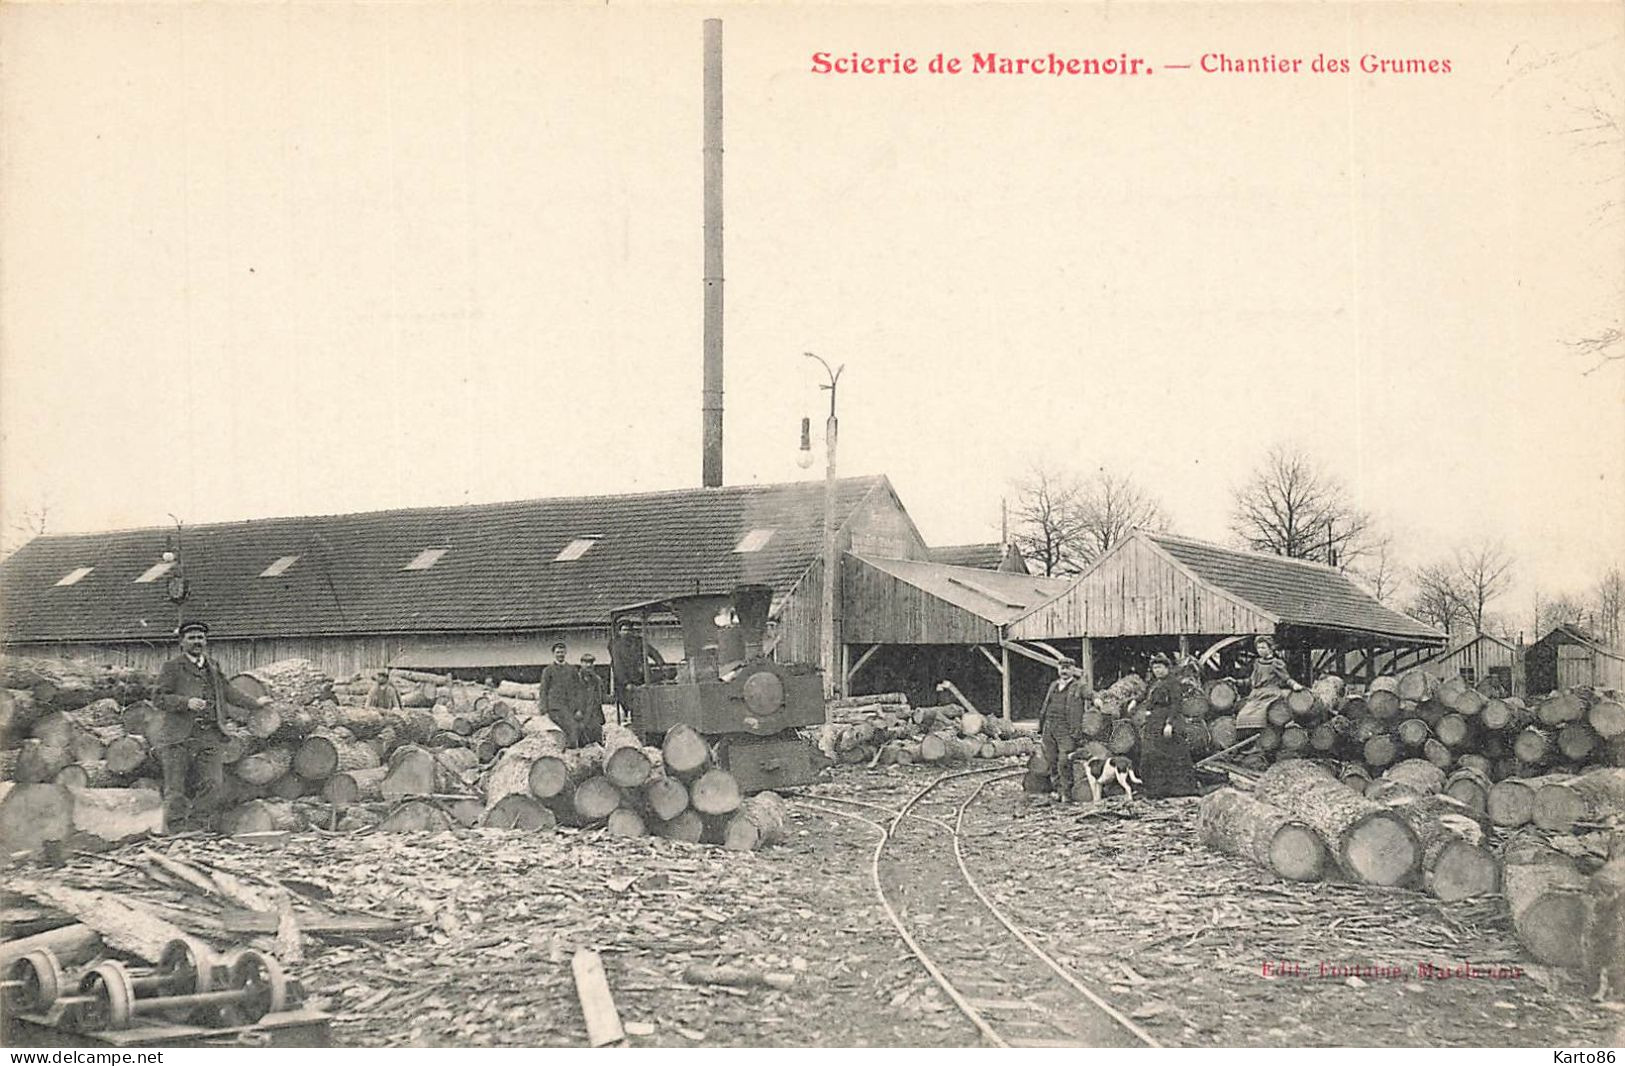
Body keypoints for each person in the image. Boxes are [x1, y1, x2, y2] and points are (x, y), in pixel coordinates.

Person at [153, 622, 273, 821]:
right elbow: (158, 698)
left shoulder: (213, 666)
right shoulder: (172, 667)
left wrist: (255, 704)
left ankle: (198, 826)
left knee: (213, 783)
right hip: (178, 736)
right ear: (182, 642)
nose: (197, 642)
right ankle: (172, 830)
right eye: (191, 638)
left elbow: (228, 691)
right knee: (175, 787)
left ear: (206, 641)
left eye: (200, 637)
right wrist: (186, 702)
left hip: (209, 735)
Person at [1138, 652, 1201, 798]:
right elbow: (1145, 695)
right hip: (1153, 723)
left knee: (1173, 756)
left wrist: (1169, 723)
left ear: (1167, 668)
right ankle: (1156, 790)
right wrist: (1135, 701)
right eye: (1155, 668)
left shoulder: (1173, 683)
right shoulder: (1154, 683)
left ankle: (1179, 790)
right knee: (1151, 755)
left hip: (1168, 722)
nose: (1157, 671)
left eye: (1160, 668)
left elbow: (1176, 705)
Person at [1037, 660, 1088, 802]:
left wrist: (1096, 699)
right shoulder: (1054, 685)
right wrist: (1041, 725)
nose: (1064, 671)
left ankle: (1067, 793)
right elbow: (1045, 704)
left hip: (1066, 729)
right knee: (1051, 759)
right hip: (1049, 726)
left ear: (1073, 670)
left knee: (1064, 760)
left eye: (1067, 668)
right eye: (1061, 668)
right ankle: (1057, 790)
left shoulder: (1078, 686)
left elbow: (1090, 693)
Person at [1234, 635, 1302, 729]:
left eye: (1263, 647)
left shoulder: (1276, 663)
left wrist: (1294, 685)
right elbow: (1252, 680)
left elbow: (1286, 678)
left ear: (1270, 649)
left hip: (1270, 694)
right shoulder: (1257, 663)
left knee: (1261, 716)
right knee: (1242, 716)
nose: (1260, 650)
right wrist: (1236, 682)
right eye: (1258, 648)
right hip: (1256, 695)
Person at [539, 641, 584, 746]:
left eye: (562, 652)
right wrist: (543, 709)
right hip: (554, 707)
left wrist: (579, 708)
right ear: (554, 654)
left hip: (570, 707)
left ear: (566, 653)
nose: (560, 654)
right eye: (558, 652)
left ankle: (572, 751)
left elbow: (578, 690)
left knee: (574, 728)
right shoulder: (548, 670)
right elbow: (543, 690)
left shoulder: (572, 670)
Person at [576, 652, 606, 746]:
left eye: (591, 662)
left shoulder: (597, 680)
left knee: (597, 744)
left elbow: (602, 697)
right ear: (581, 664)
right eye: (586, 662)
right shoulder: (575, 679)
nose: (589, 665)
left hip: (595, 716)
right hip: (581, 716)